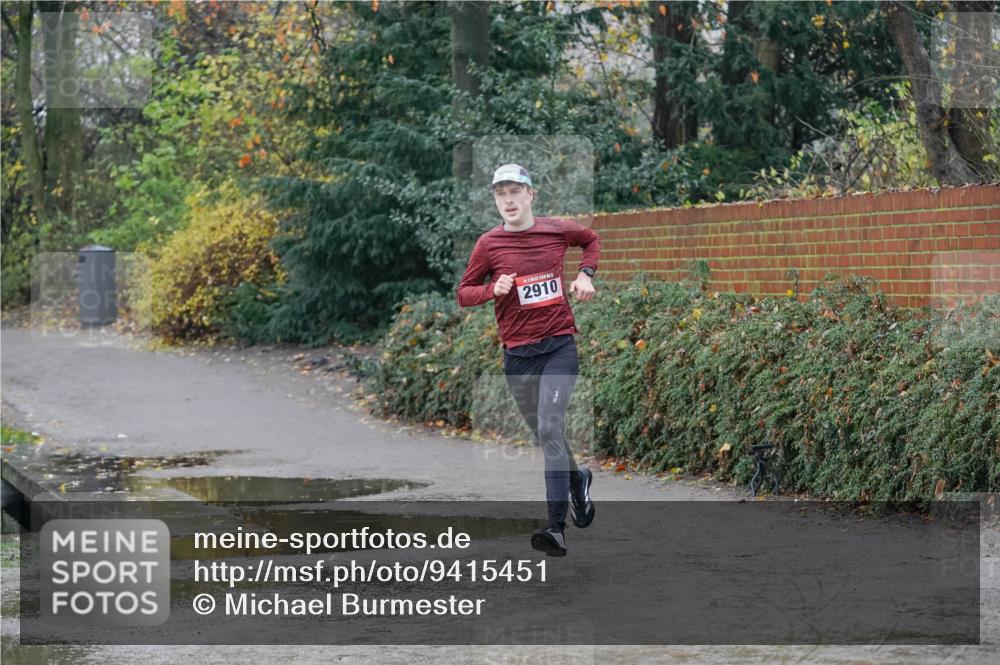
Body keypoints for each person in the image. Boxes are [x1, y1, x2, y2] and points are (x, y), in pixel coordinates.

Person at [456, 163, 600, 557]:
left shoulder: (556, 230)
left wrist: (586, 275)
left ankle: (556, 528)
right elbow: (464, 292)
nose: (508, 200)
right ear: (495, 200)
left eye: (514, 191)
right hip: (517, 357)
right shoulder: (488, 245)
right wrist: (491, 289)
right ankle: (577, 481)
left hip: (558, 347)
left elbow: (591, 240)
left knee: (550, 427)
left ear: (530, 194)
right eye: (500, 193)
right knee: (546, 436)